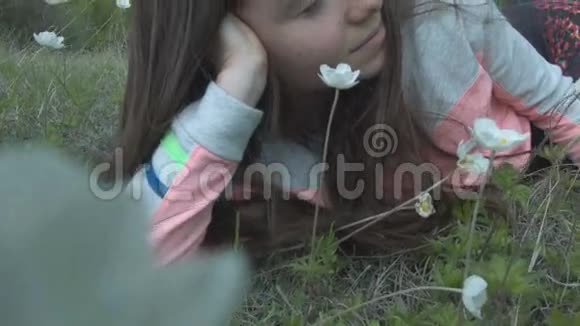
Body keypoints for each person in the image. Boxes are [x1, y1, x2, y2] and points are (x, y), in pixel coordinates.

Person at [115, 0, 580, 264]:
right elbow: (133, 269)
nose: (366, 4)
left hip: (544, 39)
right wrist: (239, 80)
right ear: (216, 40)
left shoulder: (438, 17)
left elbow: (559, 102)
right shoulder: (237, 149)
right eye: (311, 4)